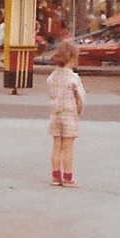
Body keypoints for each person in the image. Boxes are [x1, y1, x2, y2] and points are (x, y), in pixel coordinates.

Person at [46, 39, 86, 188]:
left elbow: (50, 94)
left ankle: (56, 176)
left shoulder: (51, 77)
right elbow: (80, 97)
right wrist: (78, 111)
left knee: (57, 146)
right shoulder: (73, 78)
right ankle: (68, 177)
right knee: (68, 147)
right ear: (72, 58)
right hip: (69, 115)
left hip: (55, 114)